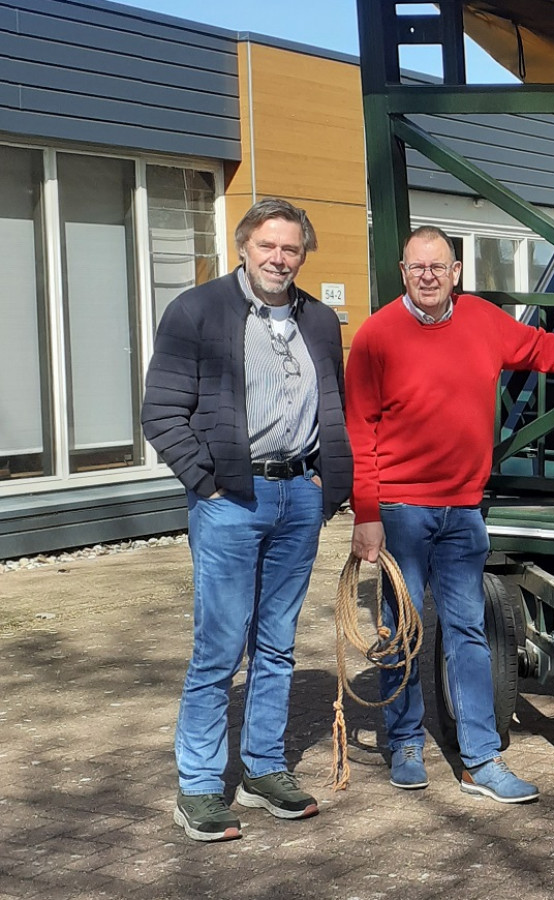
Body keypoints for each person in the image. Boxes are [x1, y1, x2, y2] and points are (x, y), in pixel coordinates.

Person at [346, 226, 554, 803]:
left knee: (468, 633)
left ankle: (479, 759)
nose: (428, 276)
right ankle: (406, 740)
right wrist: (366, 513)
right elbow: (359, 430)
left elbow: (544, 349)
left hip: (463, 510)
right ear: (402, 270)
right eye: (418, 267)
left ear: (456, 271)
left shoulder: (484, 321)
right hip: (401, 511)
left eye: (438, 266)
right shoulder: (375, 336)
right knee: (403, 628)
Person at [142, 198, 353, 842]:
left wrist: (328, 478)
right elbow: (161, 413)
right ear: (244, 246)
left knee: (277, 643)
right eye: (268, 246)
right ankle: (201, 787)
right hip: (231, 498)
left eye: (291, 249)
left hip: (298, 500)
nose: (278, 259)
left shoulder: (319, 320)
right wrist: (207, 484)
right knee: (219, 647)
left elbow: (330, 403)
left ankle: (263, 769)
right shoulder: (197, 311)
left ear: (303, 254)